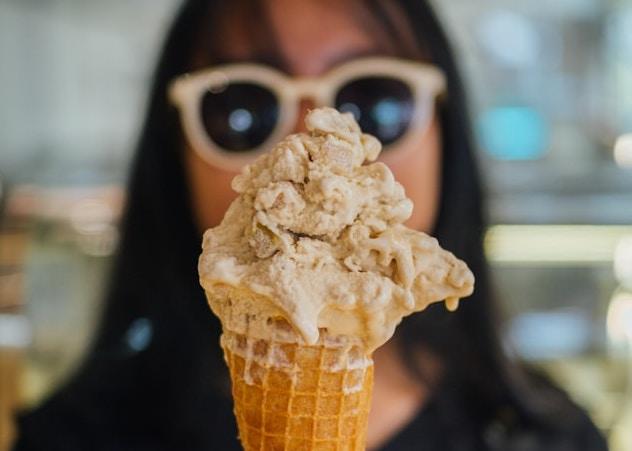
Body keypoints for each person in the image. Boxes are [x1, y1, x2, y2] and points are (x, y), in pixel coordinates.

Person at [13, 1, 608, 450]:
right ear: (174, 159)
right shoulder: (72, 436)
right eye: (243, 108)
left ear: (445, 140)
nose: (306, 136)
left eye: (374, 101)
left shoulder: (553, 437)